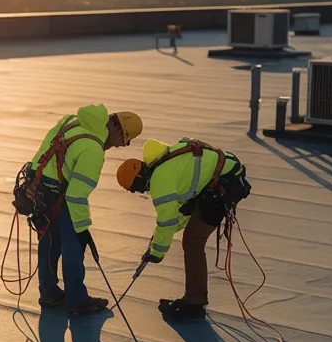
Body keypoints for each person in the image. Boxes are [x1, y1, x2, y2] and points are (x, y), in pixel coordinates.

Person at [21, 105, 142, 314]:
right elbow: (76, 195)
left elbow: (42, 152)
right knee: (73, 247)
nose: (122, 146)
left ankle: (48, 293)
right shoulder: (93, 150)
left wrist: (33, 185)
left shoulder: (71, 120)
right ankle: (77, 299)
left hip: (40, 190)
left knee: (49, 242)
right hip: (60, 196)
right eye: (125, 141)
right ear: (117, 131)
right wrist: (82, 228)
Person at [116, 137, 251, 320]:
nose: (141, 192)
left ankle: (195, 304)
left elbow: (167, 220)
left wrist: (156, 252)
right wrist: (156, 239)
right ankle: (194, 299)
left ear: (140, 179)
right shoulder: (164, 163)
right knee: (191, 240)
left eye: (136, 189)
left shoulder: (160, 180)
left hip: (224, 183)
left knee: (193, 242)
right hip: (223, 176)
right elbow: (178, 215)